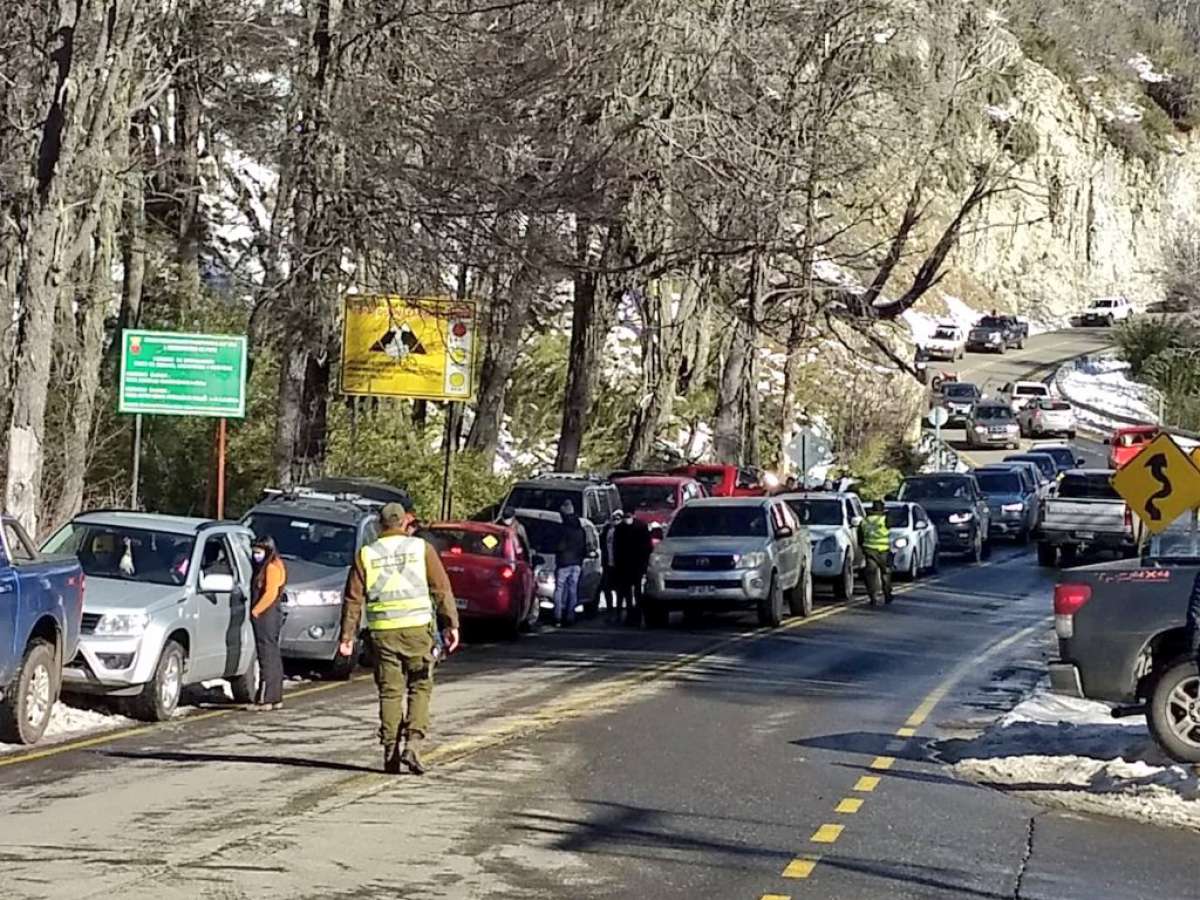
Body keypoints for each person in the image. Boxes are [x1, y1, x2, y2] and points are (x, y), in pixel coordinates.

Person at [338, 502, 460, 775]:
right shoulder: (421, 549)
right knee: (420, 686)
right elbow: (441, 589)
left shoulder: (366, 554)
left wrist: (347, 636)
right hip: (417, 630)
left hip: (383, 634)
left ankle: (390, 753)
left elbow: (353, 599)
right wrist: (451, 624)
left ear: (380, 525)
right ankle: (413, 745)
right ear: (405, 522)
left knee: (390, 692)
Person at [248, 537, 287, 711]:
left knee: (266, 655)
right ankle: (275, 696)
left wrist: (256, 610)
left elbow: (270, 593)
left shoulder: (271, 567)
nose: (255, 555)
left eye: (258, 552)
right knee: (272, 654)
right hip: (271, 614)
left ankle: (266, 698)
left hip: (266, 614)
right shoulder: (276, 564)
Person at [613, 511, 653, 625]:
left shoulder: (625, 528)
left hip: (631, 565)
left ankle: (634, 615)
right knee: (632, 591)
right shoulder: (637, 527)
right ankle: (635, 615)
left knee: (633, 591)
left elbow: (617, 549)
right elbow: (647, 547)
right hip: (631, 565)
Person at [553, 500, 587, 627]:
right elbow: (584, 547)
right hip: (576, 562)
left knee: (559, 590)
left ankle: (557, 616)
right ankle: (570, 616)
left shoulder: (562, 529)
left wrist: (558, 551)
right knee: (573, 590)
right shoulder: (580, 529)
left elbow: (559, 545)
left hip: (564, 562)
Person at [859, 500, 894, 606]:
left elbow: (860, 537)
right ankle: (887, 595)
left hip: (870, 551)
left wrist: (863, 548)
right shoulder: (885, 519)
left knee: (871, 575)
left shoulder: (865, 521)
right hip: (883, 551)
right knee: (886, 574)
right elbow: (891, 524)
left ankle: (872, 597)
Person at [601, 510, 622, 620]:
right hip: (608, 564)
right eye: (614, 518)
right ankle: (610, 610)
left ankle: (618, 612)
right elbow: (602, 544)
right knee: (607, 588)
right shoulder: (606, 531)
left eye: (618, 519)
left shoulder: (623, 532)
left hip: (619, 565)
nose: (615, 521)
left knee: (619, 590)